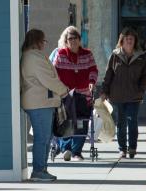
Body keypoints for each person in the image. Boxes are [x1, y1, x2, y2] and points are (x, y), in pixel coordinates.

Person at [20, 29, 69, 182]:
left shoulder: (31, 56)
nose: (44, 44)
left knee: (45, 137)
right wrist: (63, 91)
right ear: (37, 41)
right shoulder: (34, 57)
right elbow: (48, 79)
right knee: (42, 137)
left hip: (40, 101)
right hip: (39, 102)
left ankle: (42, 168)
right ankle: (38, 170)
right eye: (43, 41)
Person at [101, 28, 146, 159]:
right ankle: (122, 148)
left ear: (135, 41)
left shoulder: (141, 56)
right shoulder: (115, 55)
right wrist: (104, 91)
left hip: (134, 96)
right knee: (121, 123)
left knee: (132, 122)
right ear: (121, 41)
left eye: (132, 39)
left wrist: (141, 88)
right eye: (127, 39)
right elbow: (108, 74)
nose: (129, 41)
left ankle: (132, 148)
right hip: (117, 95)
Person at [52, 26, 99, 162]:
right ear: (66, 41)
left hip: (83, 95)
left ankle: (76, 152)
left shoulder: (87, 54)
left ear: (79, 40)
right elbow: (54, 73)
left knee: (81, 122)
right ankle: (66, 148)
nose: (72, 41)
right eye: (70, 39)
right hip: (66, 95)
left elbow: (93, 70)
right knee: (66, 121)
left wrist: (91, 81)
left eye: (75, 38)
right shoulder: (61, 54)